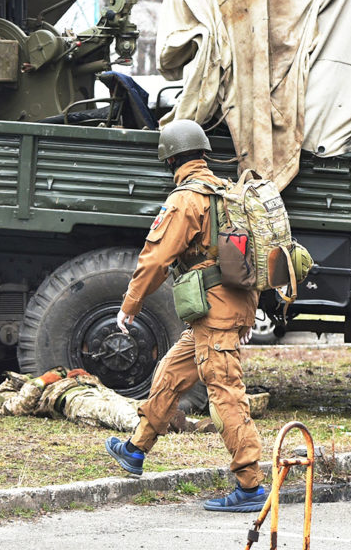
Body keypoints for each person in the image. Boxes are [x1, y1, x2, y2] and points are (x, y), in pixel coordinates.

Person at [104, 119, 266, 513]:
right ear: (204, 153)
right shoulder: (228, 192)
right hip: (229, 307)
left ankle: (250, 486)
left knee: (225, 392)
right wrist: (249, 310)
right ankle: (135, 450)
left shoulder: (186, 199)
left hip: (215, 312)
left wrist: (130, 304)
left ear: (170, 158)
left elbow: (157, 258)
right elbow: (255, 256)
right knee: (171, 372)